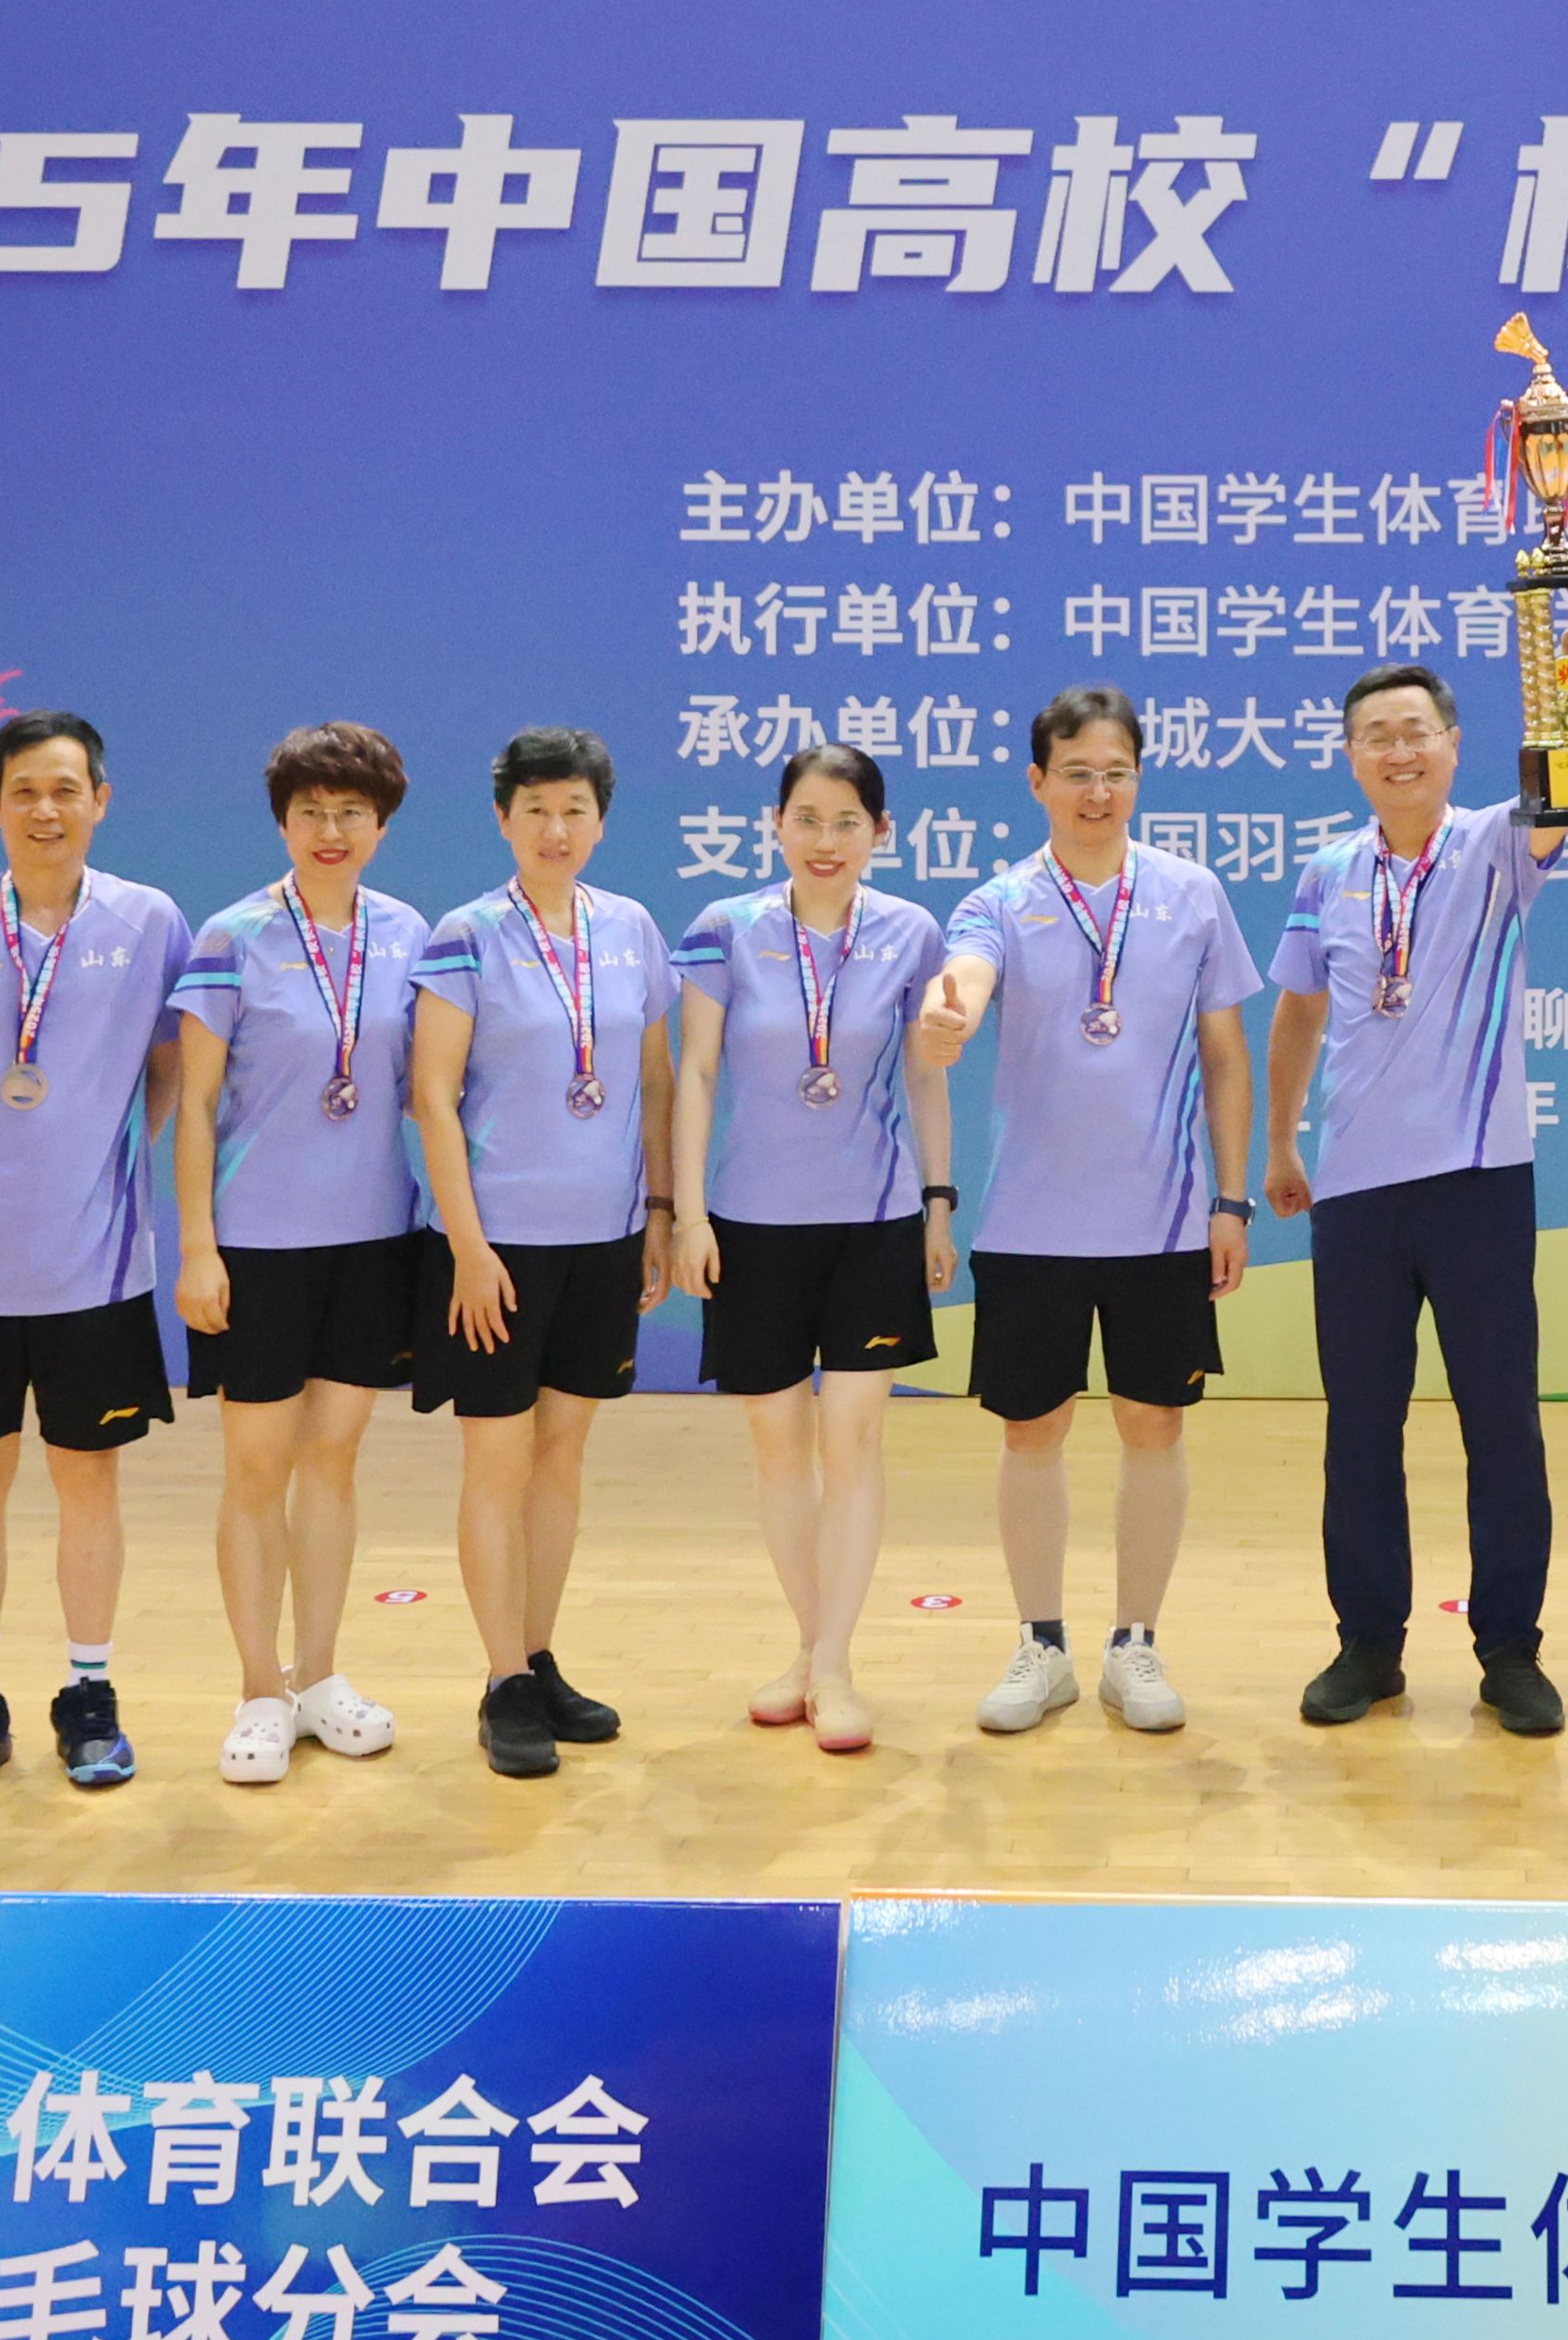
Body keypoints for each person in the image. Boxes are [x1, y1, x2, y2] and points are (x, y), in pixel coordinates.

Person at [909, 687, 1260, 1736]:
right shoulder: (1000, 899)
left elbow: (1225, 1055)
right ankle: (1042, 1646)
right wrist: (950, 1012)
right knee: (1033, 1429)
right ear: (1038, 782)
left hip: (1163, 1221)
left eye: (1115, 772)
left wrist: (1230, 1198)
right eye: (1076, 773)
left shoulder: (1192, 893)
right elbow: (966, 976)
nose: (1097, 792)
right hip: (1032, 1222)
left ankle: (1135, 1644)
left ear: (1138, 778)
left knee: (1155, 1424)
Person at [0, 710, 190, 1802]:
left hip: (94, 1265)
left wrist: (97, 1157)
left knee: (87, 1477)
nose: (45, 809)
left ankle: (89, 1693)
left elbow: (169, 1064)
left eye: (65, 789)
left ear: (100, 799)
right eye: (24, 791)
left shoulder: (150, 921)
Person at [1262, 663, 1568, 1735]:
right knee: (1361, 1425)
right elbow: (1299, 1009)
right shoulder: (1328, 871)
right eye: (1377, 735)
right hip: (1355, 1189)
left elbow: (1566, 784)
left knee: (1502, 1422)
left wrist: (1567, 655)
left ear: (1453, 743)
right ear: (1351, 755)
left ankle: (1510, 1648)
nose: (1399, 751)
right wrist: (1280, 1139)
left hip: (1478, 1182)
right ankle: (1368, 1643)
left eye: (1416, 731)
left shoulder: (1497, 842)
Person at [669, 744, 951, 1755]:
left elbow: (926, 1075)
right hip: (750, 1223)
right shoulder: (724, 928)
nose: (825, 840)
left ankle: (831, 1665)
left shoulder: (912, 931)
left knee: (854, 1441)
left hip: (873, 1222)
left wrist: (938, 1202)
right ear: (776, 825)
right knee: (778, 1445)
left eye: (846, 822)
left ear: (881, 832)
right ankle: (812, 1645)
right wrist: (690, 1215)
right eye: (806, 819)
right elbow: (696, 1073)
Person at [411, 725, 675, 1778]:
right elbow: (432, 1095)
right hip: (498, 1249)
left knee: (561, 1456)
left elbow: (654, 1081)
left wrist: (659, 1212)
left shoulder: (633, 928)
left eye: (574, 810)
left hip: (605, 1239)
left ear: (601, 820)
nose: (555, 829)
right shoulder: (466, 934)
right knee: (498, 1458)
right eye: (535, 810)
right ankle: (500, 1680)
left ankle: (536, 1654)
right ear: (503, 819)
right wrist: (468, 1247)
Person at [169, 722, 424, 1786]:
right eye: (312, 811)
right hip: (257, 1246)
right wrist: (197, 1246)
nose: (332, 830)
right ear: (282, 821)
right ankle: (258, 1690)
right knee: (256, 1467)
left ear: (381, 824)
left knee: (334, 1461)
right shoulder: (231, 936)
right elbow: (194, 1106)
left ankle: (318, 1675)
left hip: (372, 1241)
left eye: (351, 812)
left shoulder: (409, 933)